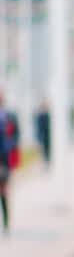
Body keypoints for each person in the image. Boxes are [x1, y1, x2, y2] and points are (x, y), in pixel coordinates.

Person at [0, 92, 18, 235]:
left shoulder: (9, 117)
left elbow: (14, 137)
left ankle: (6, 223)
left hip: (3, 160)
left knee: (4, 192)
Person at [35, 102, 50, 168]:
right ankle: (46, 161)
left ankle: (48, 160)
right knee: (44, 150)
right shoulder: (40, 116)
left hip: (48, 136)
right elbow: (38, 127)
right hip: (43, 135)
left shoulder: (48, 115)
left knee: (48, 149)